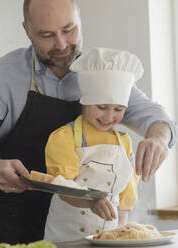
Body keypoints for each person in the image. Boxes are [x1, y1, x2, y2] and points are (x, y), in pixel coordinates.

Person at [0, 0, 177, 246]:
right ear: (26, 30)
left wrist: (159, 137)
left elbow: (156, 117)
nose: (61, 44)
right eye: (46, 35)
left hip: (70, 228)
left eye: (69, 29)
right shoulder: (1, 76)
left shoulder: (102, 72)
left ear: (80, 20)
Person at [44, 47, 141, 242]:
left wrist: (122, 234)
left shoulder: (124, 142)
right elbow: (63, 188)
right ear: (85, 101)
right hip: (66, 237)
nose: (109, 116)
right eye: (101, 107)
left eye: (118, 109)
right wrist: (92, 202)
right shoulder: (65, 137)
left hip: (106, 237)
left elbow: (125, 197)